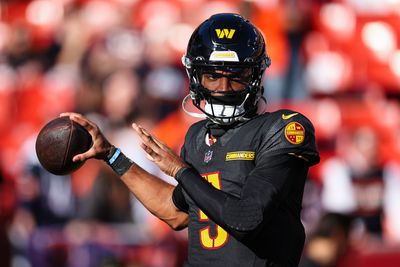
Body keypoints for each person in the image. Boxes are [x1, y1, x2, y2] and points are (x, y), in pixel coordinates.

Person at [62, 13, 320, 267]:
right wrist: (111, 155)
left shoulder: (284, 128)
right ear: (196, 77)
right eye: (212, 76)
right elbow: (175, 213)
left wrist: (181, 171)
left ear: (255, 76)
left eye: (236, 77)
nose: (223, 88)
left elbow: (247, 220)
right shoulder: (197, 136)